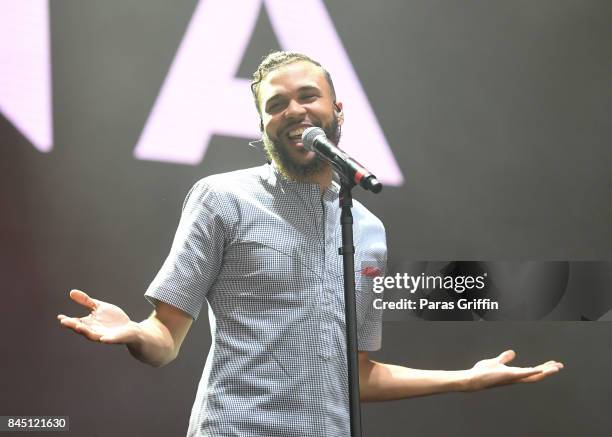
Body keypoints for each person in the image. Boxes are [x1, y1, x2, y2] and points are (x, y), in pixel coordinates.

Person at [57, 51, 564, 436]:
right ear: (262, 126)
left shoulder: (366, 229)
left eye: (307, 96)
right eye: (276, 105)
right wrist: (133, 335)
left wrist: (466, 379)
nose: (294, 110)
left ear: (336, 110)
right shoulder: (222, 198)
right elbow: (164, 340)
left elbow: (358, 377)